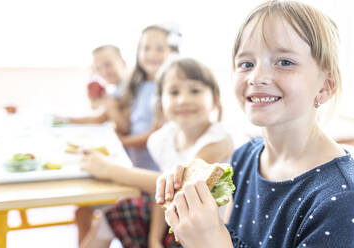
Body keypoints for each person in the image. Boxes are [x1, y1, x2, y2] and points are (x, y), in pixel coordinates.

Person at [155, 1, 354, 247]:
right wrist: (190, 206)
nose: (257, 77)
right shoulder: (245, 156)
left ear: (326, 86)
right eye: (246, 64)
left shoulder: (343, 198)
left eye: (285, 62)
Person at [81, 58, 234, 248]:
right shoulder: (163, 139)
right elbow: (161, 196)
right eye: (174, 92)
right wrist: (154, 239)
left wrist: (109, 169)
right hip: (172, 217)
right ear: (161, 103)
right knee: (110, 215)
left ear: (215, 100)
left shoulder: (217, 140)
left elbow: (179, 188)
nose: (183, 99)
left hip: (204, 233)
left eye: (195, 90)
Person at [79, 24, 182, 248]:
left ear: (172, 52)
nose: (151, 54)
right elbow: (125, 123)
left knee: (93, 211)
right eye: (146, 48)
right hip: (134, 169)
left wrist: (121, 141)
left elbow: (153, 134)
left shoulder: (171, 89)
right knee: (84, 209)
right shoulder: (139, 85)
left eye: (159, 48)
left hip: (151, 178)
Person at [54, 45, 127, 129]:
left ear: (123, 63)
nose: (104, 72)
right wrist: (67, 119)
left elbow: (124, 128)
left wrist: (109, 103)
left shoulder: (130, 89)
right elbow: (99, 119)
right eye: (98, 68)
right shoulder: (116, 91)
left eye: (108, 65)